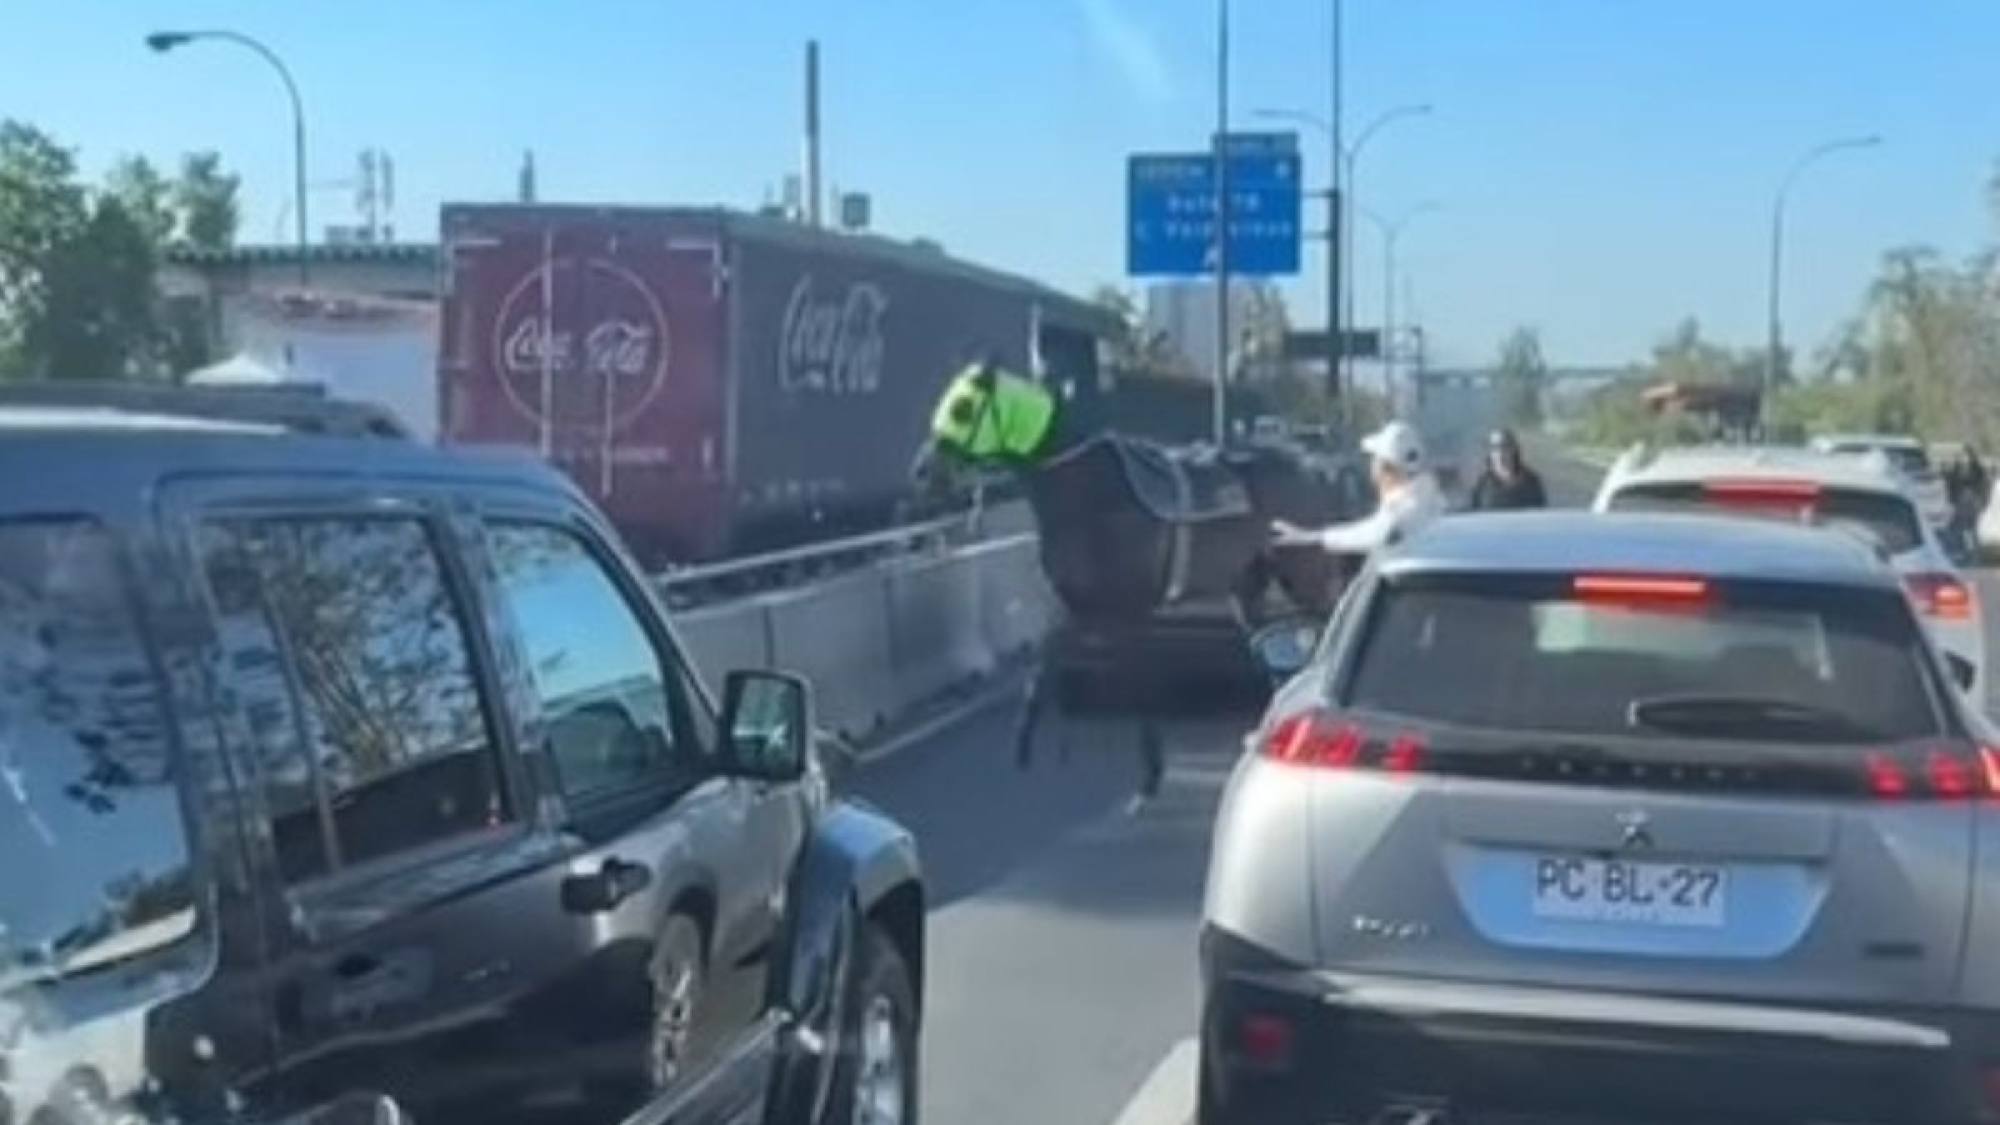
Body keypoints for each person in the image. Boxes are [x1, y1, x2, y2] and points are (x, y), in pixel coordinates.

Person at [1271, 419, 1445, 555]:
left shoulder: (1406, 511)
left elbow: (1376, 533)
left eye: (1374, 460)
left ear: (1384, 470)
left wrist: (1311, 538)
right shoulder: (1426, 501)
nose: (1371, 468)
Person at [1468, 427, 1548, 511]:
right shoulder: (1482, 485)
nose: (1500, 452)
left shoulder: (1531, 482)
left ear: (1513, 449)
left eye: (1504, 446)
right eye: (1494, 448)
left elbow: (1540, 514)